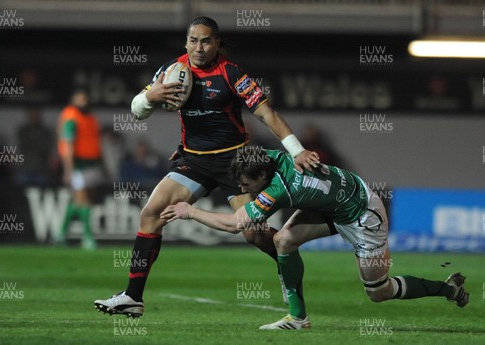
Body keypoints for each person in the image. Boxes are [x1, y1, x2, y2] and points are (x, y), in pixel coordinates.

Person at [94, 16, 320, 317]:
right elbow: (137, 111)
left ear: (216, 43)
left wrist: (297, 151)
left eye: (206, 41)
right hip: (194, 161)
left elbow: (267, 114)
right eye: (193, 40)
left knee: (252, 234)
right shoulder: (172, 71)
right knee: (151, 213)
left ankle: (283, 260)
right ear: (186, 42)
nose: (198, 47)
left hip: (233, 163)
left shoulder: (232, 73)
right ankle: (132, 298)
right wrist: (150, 96)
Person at [161, 146, 470, 330]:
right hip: (334, 205)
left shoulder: (280, 189)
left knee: (379, 292)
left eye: (246, 185)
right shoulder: (266, 159)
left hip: (363, 215)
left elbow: (234, 225)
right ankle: (297, 318)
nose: (243, 190)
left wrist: (190, 212)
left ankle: (447, 288)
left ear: (261, 178)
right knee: (283, 241)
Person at [57, 89, 105, 250]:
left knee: (81, 200)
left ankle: (61, 233)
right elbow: (68, 146)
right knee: (82, 198)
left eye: (85, 98)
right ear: (74, 100)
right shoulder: (71, 118)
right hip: (78, 165)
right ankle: (88, 237)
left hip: (92, 164)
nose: (83, 101)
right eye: (80, 99)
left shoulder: (90, 117)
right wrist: (68, 170)